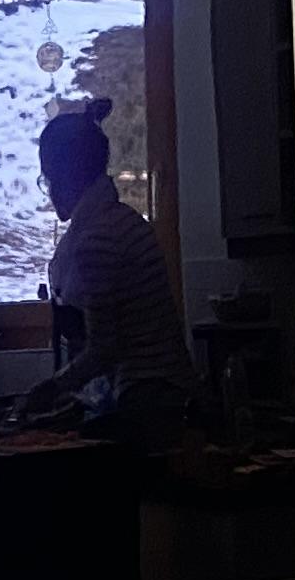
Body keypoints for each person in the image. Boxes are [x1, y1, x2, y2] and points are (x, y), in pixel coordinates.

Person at [31, 99, 195, 441]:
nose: (49, 189)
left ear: (66, 176)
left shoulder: (96, 240)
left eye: (48, 178)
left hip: (149, 400)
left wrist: (51, 389)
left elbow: (104, 349)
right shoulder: (121, 221)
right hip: (169, 394)